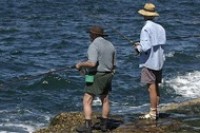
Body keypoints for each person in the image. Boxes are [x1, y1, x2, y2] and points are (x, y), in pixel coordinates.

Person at [75, 25, 116, 132]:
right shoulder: (111, 45)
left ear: (94, 35)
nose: (89, 35)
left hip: (96, 75)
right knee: (105, 99)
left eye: (90, 34)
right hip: (108, 75)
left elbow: (92, 63)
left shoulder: (94, 45)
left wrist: (80, 64)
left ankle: (88, 126)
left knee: (87, 100)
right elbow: (113, 64)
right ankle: (104, 125)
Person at [134, 3, 166, 120]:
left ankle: (152, 113)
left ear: (144, 15)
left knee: (151, 88)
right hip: (159, 62)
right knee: (156, 86)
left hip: (149, 62)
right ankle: (156, 110)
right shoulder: (160, 28)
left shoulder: (146, 28)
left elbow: (145, 47)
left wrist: (137, 47)